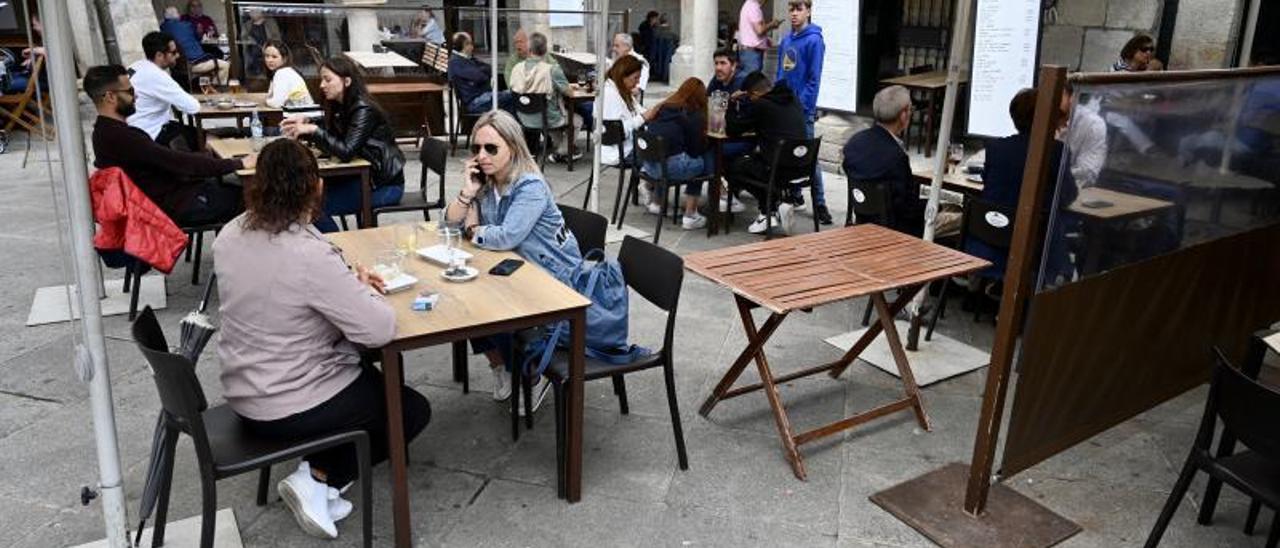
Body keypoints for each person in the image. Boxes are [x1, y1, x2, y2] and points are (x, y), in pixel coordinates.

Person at [213, 138, 430, 541]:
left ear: (258, 185)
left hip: (242, 386)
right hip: (289, 398)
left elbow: (282, 294)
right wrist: (361, 289)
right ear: (316, 187)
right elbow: (378, 329)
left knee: (367, 376)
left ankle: (322, 479)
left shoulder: (229, 234)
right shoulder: (307, 253)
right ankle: (318, 477)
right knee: (410, 408)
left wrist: (346, 283)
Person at [445, 110, 584, 412]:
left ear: (513, 146)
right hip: (515, 269)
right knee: (467, 300)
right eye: (477, 148)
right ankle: (504, 367)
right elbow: (449, 225)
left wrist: (473, 229)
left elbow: (507, 236)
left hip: (554, 278)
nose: (482, 156)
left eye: (491, 148)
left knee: (487, 304)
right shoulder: (487, 183)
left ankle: (532, 376)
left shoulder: (530, 186)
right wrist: (468, 193)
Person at [86, 64, 250, 227]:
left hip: (162, 202)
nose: (136, 97)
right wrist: (238, 163)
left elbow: (177, 161)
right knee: (254, 197)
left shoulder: (104, 132)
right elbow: (180, 163)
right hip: (171, 207)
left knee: (233, 186)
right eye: (130, 91)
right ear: (110, 97)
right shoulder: (123, 137)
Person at [282, 57, 405, 233]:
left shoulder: (363, 109)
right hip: (358, 178)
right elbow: (333, 132)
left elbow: (346, 150)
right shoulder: (340, 106)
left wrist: (313, 129)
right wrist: (308, 121)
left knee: (312, 207)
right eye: (321, 79)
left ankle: (337, 252)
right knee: (302, 196)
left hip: (381, 184)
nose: (322, 85)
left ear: (347, 81)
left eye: (328, 79)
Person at [977, 88, 1076, 282]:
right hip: (1032, 241)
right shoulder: (1055, 151)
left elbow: (988, 184)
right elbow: (1067, 195)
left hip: (992, 236)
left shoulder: (996, 148)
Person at [842, 85, 959, 238]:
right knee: (962, 215)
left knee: (947, 207)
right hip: (898, 229)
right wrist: (936, 205)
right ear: (904, 115)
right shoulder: (896, 156)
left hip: (865, 219)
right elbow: (908, 209)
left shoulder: (854, 143)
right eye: (911, 110)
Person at [725, 72, 807, 234]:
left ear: (755, 94)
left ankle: (767, 212)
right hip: (802, 167)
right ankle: (779, 203)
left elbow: (733, 129)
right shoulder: (793, 99)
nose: (749, 100)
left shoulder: (761, 105)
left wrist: (731, 102)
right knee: (756, 159)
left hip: (778, 169)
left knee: (732, 165)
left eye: (749, 97)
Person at [775, 0, 831, 224]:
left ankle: (820, 203)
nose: (794, 14)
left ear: (808, 11)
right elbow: (781, 73)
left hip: (802, 109)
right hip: (784, 107)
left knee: (809, 157)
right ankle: (795, 195)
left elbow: (813, 79)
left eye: (799, 9)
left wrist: (802, 107)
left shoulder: (814, 40)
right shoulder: (786, 39)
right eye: (791, 9)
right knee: (788, 153)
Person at [642, 78, 714, 230]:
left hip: (648, 167)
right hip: (666, 169)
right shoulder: (692, 115)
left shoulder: (662, 107)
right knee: (701, 162)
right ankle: (691, 214)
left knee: (668, 154)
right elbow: (695, 150)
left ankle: (657, 202)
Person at [509, 32, 580, 163]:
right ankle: (562, 152)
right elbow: (569, 93)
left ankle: (564, 150)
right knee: (576, 121)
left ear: (529, 50)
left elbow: (512, 90)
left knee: (551, 115)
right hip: (546, 118)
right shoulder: (552, 70)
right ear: (545, 50)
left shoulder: (516, 69)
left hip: (523, 117)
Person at [127, 32, 202, 148]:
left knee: (193, 132)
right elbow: (193, 107)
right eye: (173, 52)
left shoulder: (136, 66)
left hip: (135, 129)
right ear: (159, 55)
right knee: (207, 139)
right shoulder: (156, 75)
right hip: (152, 133)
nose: (177, 55)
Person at [600, 55, 657, 169]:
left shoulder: (622, 90)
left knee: (661, 146)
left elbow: (639, 110)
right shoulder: (609, 94)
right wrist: (643, 118)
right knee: (660, 154)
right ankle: (647, 183)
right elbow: (614, 133)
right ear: (623, 75)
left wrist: (653, 112)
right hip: (617, 152)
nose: (637, 83)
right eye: (635, 78)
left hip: (627, 146)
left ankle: (643, 184)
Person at [449, 31, 515, 115]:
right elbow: (480, 77)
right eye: (468, 44)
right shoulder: (456, 62)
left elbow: (489, 68)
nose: (472, 47)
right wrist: (481, 71)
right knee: (512, 96)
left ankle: (509, 125)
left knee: (512, 97)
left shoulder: (466, 58)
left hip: (484, 97)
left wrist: (480, 70)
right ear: (462, 45)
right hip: (475, 102)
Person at [161, 6, 228, 84]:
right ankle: (215, 88)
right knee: (225, 65)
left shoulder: (162, 28)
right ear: (178, 16)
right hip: (194, 63)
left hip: (178, 66)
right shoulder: (187, 25)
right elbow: (199, 38)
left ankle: (207, 86)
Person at [1060, 79, 1107, 189]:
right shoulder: (1034, 115)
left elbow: (1088, 173)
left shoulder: (1092, 124)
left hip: (1066, 192)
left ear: (1073, 98)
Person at [263, 40, 313, 108]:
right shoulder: (284, 71)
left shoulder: (283, 73)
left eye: (274, 57)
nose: (269, 60)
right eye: (267, 56)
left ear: (284, 59)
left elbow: (276, 104)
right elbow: (271, 96)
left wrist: (265, 101)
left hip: (303, 115)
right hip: (299, 114)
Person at [737, 0, 780, 75]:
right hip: (752, 54)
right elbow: (759, 30)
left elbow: (752, 33)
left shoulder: (748, 5)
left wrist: (765, 40)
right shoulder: (753, 7)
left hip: (748, 52)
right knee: (753, 83)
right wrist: (772, 25)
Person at [241, 8, 282, 76]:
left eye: (254, 10)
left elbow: (277, 38)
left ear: (261, 11)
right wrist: (249, 40)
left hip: (269, 50)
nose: (251, 13)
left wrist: (270, 46)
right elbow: (243, 38)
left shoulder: (270, 22)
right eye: (250, 11)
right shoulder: (247, 25)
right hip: (253, 54)